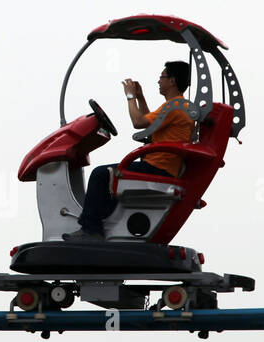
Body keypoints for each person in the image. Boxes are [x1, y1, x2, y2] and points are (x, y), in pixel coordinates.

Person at [63, 60, 196, 242]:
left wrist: (130, 96)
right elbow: (151, 124)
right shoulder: (179, 106)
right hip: (162, 166)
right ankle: (100, 222)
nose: (159, 81)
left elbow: (138, 122)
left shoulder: (174, 107)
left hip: (157, 167)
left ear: (172, 81)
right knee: (108, 175)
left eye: (162, 77)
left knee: (100, 174)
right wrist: (140, 98)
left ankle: (91, 230)